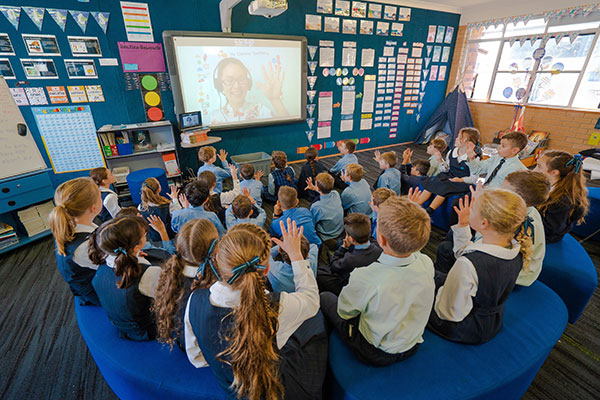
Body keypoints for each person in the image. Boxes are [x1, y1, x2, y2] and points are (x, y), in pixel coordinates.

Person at [184, 221, 327, 399]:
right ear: (266, 269)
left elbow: (197, 358)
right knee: (316, 322)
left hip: (232, 389)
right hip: (274, 388)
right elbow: (312, 300)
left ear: (219, 258)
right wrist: (296, 254)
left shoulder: (194, 301)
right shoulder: (279, 306)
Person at [320, 196, 434, 366]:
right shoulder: (427, 263)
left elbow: (345, 312)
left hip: (374, 352)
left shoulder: (365, 276)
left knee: (325, 297)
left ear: (381, 240)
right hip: (412, 345)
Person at [428, 189, 531, 344]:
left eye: (473, 209)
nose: (469, 210)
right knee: (436, 277)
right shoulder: (516, 248)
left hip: (463, 327)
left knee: (422, 285)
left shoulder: (469, 264)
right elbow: (470, 253)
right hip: (491, 320)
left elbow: (449, 313)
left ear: (484, 223)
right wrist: (463, 225)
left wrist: (435, 293)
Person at [89, 215, 160, 341]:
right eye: (144, 234)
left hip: (119, 324)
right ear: (136, 247)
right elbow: (166, 299)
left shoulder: (101, 267)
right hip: (146, 329)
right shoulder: (149, 274)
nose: (145, 235)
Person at [152, 219, 219, 350]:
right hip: (206, 350)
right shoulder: (218, 286)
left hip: (181, 341)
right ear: (215, 249)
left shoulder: (167, 276)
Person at [50, 178, 103, 306]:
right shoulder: (84, 247)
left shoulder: (70, 225)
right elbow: (114, 267)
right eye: (100, 196)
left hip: (93, 275)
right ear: (93, 208)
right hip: (95, 291)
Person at [503, 171, 551, 286]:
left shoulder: (515, 224)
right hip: (520, 268)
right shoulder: (529, 209)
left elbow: (491, 254)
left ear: (519, 198)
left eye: (504, 192)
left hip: (515, 278)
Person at [417, 127, 481, 214]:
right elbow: (446, 169)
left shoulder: (474, 158)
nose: (456, 139)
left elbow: (474, 178)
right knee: (434, 180)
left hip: (462, 182)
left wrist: (460, 180)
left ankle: (429, 211)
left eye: (459, 138)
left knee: (444, 185)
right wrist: (440, 160)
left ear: (468, 143)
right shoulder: (451, 152)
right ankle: (416, 205)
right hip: (450, 176)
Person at [317, 213, 382, 295]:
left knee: (320, 272)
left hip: (350, 284)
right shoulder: (378, 247)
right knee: (340, 241)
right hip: (368, 273)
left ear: (350, 238)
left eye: (347, 234)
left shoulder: (349, 259)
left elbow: (334, 266)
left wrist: (343, 248)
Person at [209, 57, 289, 124]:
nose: (236, 86)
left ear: (248, 83)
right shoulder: (215, 117)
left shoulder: (261, 110)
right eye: (229, 80)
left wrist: (275, 100)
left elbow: (287, 130)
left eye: (241, 79)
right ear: (219, 85)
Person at [535, 151, 589, 243]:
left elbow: (550, 230)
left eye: (539, 167)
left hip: (545, 237)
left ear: (554, 172)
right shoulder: (548, 185)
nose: (535, 170)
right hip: (537, 226)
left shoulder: (562, 201)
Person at [452, 131, 528, 188]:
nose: (499, 147)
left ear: (515, 150)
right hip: (484, 191)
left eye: (503, 146)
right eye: (500, 144)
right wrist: (471, 159)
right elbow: (478, 170)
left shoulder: (517, 169)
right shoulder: (497, 158)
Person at [138, 178, 180, 242]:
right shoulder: (168, 205)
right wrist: (175, 199)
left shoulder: (140, 207)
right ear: (159, 189)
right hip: (169, 236)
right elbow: (178, 214)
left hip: (153, 237)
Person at [306, 172, 344, 243]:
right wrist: (315, 188)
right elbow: (324, 192)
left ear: (319, 188)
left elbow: (312, 222)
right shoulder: (336, 194)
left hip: (327, 235)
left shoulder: (317, 206)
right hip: (339, 229)